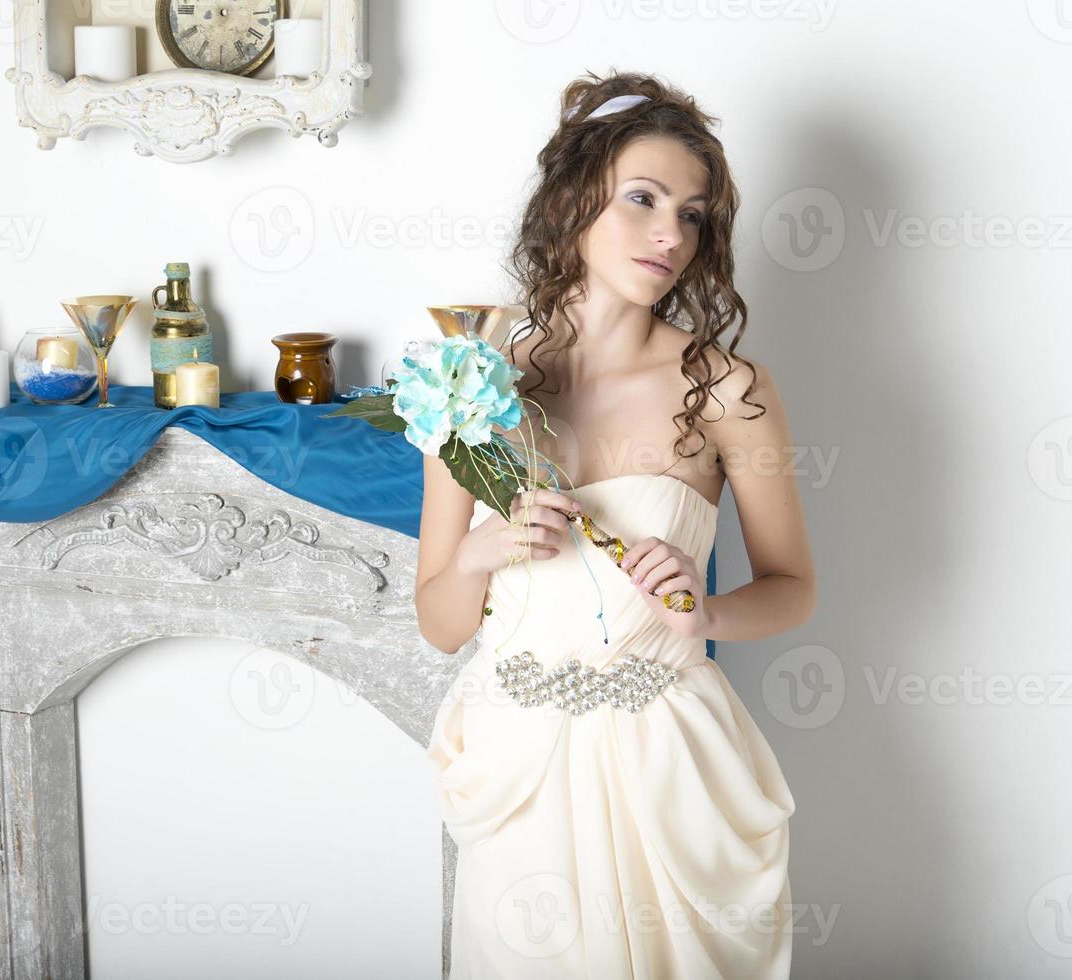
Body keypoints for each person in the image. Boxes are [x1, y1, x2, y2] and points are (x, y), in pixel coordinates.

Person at [419, 69, 817, 979]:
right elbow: (440, 625)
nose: (672, 233)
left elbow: (796, 588)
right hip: (515, 768)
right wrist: (481, 551)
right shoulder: (471, 380)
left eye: (695, 213)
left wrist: (706, 615)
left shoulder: (730, 393)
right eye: (643, 198)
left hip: (668, 771)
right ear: (574, 202)